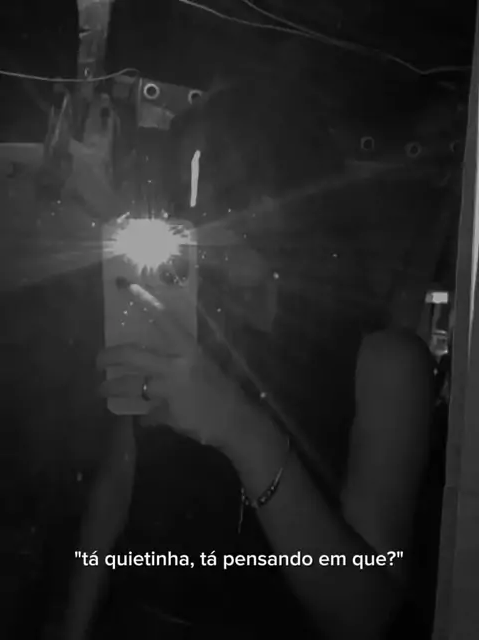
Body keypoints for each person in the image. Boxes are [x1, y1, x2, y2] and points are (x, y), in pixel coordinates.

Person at [61, 66, 457, 640]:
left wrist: (239, 428)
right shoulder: (182, 328)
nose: (202, 219)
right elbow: (116, 487)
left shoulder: (385, 364)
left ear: (293, 199)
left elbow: (364, 614)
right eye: (189, 198)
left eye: (227, 190)